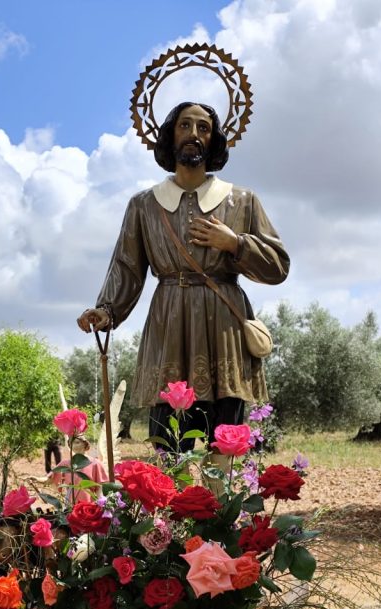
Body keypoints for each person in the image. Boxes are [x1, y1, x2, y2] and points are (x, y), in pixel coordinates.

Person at [77, 101, 289, 452]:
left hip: (224, 331)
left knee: (227, 443)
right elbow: (127, 266)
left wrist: (235, 243)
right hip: (169, 325)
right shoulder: (143, 205)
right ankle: (170, 504)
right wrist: (107, 310)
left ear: (215, 140)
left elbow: (278, 266)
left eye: (203, 128)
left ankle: (224, 506)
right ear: (169, 136)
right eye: (185, 126)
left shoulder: (243, 201)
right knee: (169, 441)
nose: (194, 134)